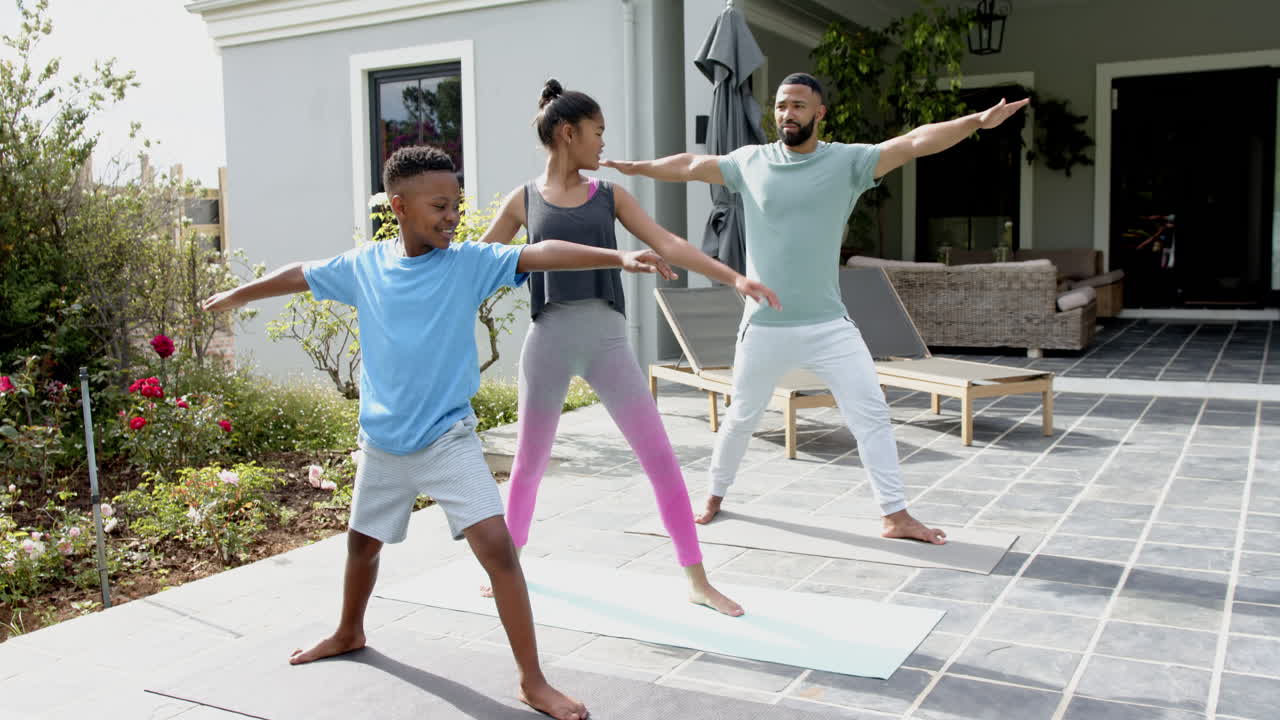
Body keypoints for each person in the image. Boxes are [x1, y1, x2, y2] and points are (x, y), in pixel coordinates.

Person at [200, 144, 676, 720]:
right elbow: (301, 273)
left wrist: (617, 258)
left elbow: (539, 252)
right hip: (382, 442)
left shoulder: (468, 262)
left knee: (498, 549)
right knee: (362, 545)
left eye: (456, 204)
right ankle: (349, 630)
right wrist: (236, 293)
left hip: (448, 439)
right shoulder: (364, 267)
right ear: (399, 206)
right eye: (440, 205)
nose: (452, 216)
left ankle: (532, 680)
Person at [603, 72, 1030, 543]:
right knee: (742, 414)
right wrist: (637, 167)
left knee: (870, 413)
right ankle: (714, 496)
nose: (787, 114)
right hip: (764, 325)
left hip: (829, 324)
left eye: (799, 105)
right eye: (782, 105)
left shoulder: (848, 162)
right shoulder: (751, 162)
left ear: (819, 113)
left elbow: (913, 143)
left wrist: (977, 120)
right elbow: (689, 165)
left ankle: (895, 515)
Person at [477, 79, 781, 616]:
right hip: (547, 341)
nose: (603, 146)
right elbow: (471, 266)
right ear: (568, 134)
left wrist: (733, 278)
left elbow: (670, 243)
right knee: (527, 464)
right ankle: (509, 566)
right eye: (597, 134)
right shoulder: (521, 201)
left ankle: (696, 579)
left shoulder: (611, 196)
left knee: (661, 458)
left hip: (608, 343)